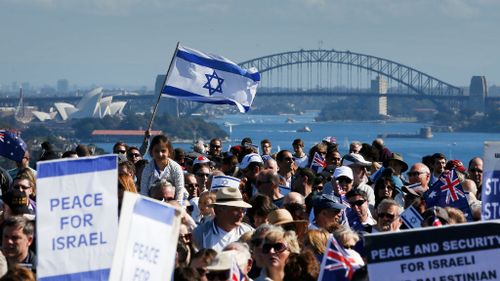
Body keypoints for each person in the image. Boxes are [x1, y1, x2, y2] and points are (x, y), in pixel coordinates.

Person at [192, 187, 253, 252]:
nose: (241, 214)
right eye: (236, 209)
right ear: (218, 210)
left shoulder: (249, 233)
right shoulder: (200, 233)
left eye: (242, 209)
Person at [140, 135, 185, 201]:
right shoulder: (147, 169)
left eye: (163, 151)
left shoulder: (176, 168)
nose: (160, 154)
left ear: (169, 152)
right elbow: (144, 192)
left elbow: (180, 191)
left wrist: (176, 207)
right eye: (156, 151)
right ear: (151, 152)